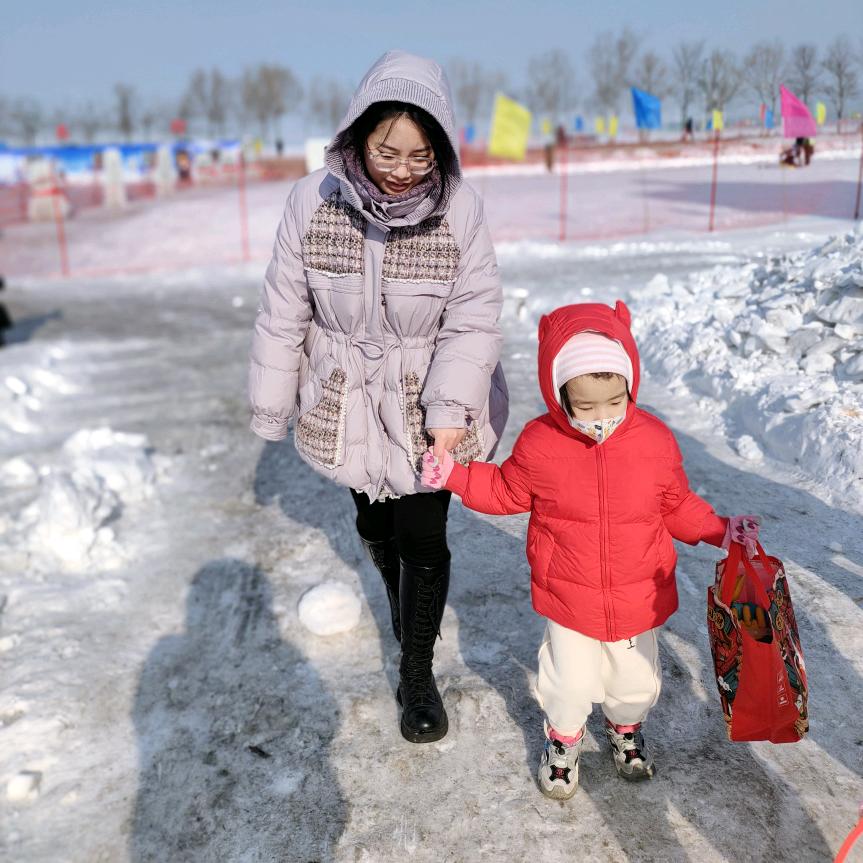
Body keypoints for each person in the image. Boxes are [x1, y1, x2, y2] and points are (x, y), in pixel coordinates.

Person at [248, 51, 508, 744]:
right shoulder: (312, 200)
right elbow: (284, 310)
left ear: (441, 149)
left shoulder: (459, 211)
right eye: (387, 150)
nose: (400, 168)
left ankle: (415, 670)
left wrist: (449, 413)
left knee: (423, 535)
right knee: (374, 523)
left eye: (420, 156)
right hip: (343, 396)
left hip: (429, 397)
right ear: (356, 135)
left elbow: (473, 318)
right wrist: (274, 403)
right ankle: (395, 582)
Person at [421, 300, 760, 796]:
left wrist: (721, 530)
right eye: (585, 407)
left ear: (630, 388)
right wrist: (453, 475)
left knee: (635, 685)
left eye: (614, 402)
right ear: (559, 395)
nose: (601, 417)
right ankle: (563, 740)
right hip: (569, 595)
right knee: (569, 684)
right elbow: (505, 492)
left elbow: (676, 504)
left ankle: (625, 730)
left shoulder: (654, 441)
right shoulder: (541, 443)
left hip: (637, 593)